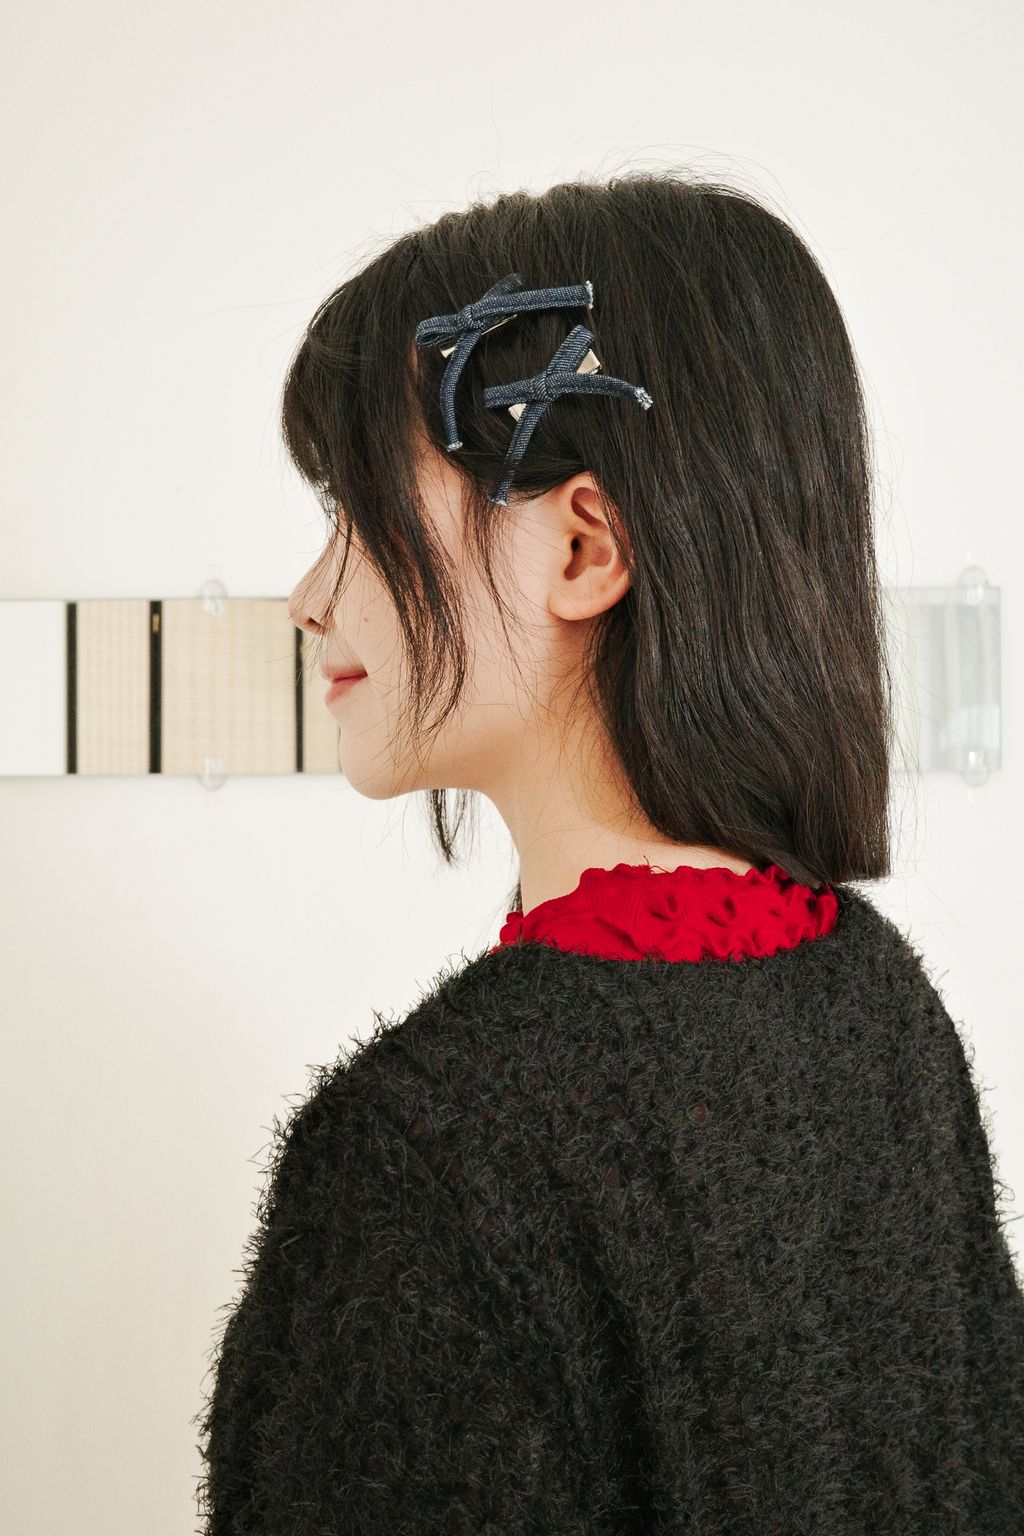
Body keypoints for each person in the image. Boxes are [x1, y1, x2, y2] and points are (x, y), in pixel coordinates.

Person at [194, 172, 1024, 1533]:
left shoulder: (431, 1152)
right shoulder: (885, 1013)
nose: (310, 593)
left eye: (360, 509)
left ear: (583, 547)